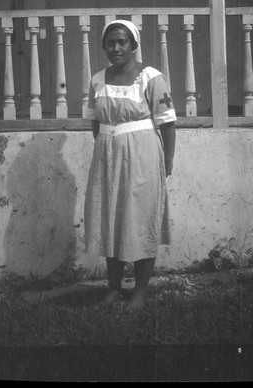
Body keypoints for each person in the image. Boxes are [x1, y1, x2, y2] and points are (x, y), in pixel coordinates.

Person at [84, 19, 176, 311]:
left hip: (142, 156)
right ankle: (112, 289)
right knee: (111, 219)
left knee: (140, 220)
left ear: (134, 45)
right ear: (104, 47)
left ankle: (139, 293)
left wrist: (167, 162)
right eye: (110, 43)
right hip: (107, 157)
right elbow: (96, 123)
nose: (116, 48)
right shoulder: (98, 79)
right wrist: (108, 150)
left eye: (123, 42)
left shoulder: (151, 77)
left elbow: (168, 124)